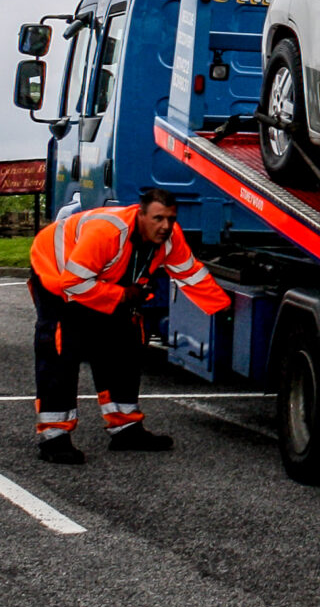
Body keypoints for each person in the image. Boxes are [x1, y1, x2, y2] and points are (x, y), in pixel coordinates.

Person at [27, 188, 229, 463]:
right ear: (140, 214)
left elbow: (191, 275)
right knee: (63, 349)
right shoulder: (108, 233)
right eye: (158, 219)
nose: (166, 226)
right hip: (58, 273)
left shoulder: (169, 238)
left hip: (104, 280)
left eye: (170, 218)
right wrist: (121, 296)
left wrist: (223, 309)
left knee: (124, 345)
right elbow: (74, 285)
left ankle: (125, 428)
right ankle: (54, 437)